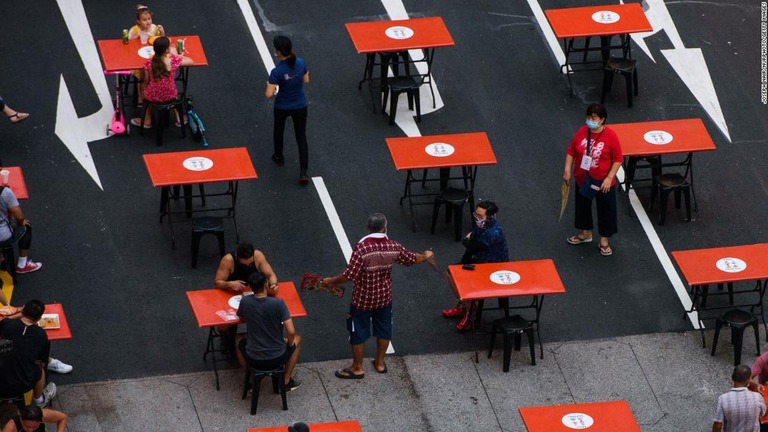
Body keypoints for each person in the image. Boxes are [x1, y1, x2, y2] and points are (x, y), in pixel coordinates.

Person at [322, 213, 433, 379]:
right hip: (384, 297)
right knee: (384, 329)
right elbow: (411, 259)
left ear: (368, 228)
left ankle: (358, 367)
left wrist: (331, 281)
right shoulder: (394, 246)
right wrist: (426, 255)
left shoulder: (362, 249)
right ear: (385, 227)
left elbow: (349, 275)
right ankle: (380, 363)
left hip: (362, 299)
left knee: (357, 331)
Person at [562, 102, 623, 256]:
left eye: (593, 117)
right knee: (582, 206)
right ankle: (585, 233)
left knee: (606, 210)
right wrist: (567, 170)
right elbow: (571, 151)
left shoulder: (611, 136)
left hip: (603, 182)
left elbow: (617, 159)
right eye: (588, 117)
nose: (590, 120)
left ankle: (604, 240)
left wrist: (609, 178)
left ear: (602, 119)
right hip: (584, 178)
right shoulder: (582, 131)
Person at [442, 201, 509, 332]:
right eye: (476, 214)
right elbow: (471, 245)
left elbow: (472, 246)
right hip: (480, 261)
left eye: (480, 215)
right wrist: (461, 263)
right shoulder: (481, 225)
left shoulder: (493, 232)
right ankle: (463, 304)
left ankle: (470, 314)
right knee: (450, 272)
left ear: (490, 217)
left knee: (467, 283)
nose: (477, 217)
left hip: (493, 267)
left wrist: (465, 240)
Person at [236, 272, 302, 392]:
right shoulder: (278, 303)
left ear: (251, 287)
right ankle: (286, 381)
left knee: (238, 338)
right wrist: (289, 344)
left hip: (253, 357)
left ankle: (250, 379)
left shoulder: (245, 301)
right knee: (297, 338)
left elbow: (241, 318)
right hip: (278, 356)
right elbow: (291, 332)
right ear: (266, 284)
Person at [214, 242, 279, 351]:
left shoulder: (258, 256)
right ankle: (226, 339)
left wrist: (273, 285)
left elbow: (271, 274)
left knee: (265, 314)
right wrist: (229, 283)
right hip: (231, 294)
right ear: (237, 257)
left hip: (253, 292)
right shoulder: (228, 260)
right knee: (222, 327)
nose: (247, 266)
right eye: (244, 264)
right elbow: (217, 282)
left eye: (250, 264)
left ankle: (263, 339)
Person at [265, 35, 311, 184]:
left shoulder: (276, 72)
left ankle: (279, 157)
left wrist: (270, 84)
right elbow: (306, 80)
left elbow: (268, 94)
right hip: (300, 105)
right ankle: (303, 171)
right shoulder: (301, 63)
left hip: (282, 106)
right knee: (301, 137)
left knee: (278, 131)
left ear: (278, 52)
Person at [0, 300, 56, 408]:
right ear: (39, 319)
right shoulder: (41, 334)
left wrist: (21, 313)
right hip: (23, 385)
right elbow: (40, 360)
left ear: (22, 310)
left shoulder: (7, 324)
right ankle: (40, 400)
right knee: (40, 366)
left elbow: (4, 321)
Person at [131, 36, 193, 128]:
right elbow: (191, 61)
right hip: (170, 96)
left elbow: (147, 80)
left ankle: (147, 120)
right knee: (172, 89)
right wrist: (176, 55)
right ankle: (179, 119)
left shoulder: (149, 63)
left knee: (145, 91)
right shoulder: (173, 61)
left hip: (152, 96)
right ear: (167, 50)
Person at [127, 4, 166, 106]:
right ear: (139, 21)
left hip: (152, 56)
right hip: (138, 57)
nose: (148, 21)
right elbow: (128, 45)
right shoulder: (135, 30)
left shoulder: (154, 28)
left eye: (149, 19)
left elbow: (161, 41)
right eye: (144, 20)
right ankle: (141, 98)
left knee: (157, 72)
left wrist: (162, 33)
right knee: (141, 76)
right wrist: (134, 39)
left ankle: (156, 94)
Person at [0, 185, 41, 274]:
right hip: (2, 236)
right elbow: (19, 217)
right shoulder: (5, 192)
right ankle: (22, 265)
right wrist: (20, 222)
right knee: (26, 226)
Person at [713, 364, 766, 432]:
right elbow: (764, 413)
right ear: (749, 379)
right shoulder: (757, 397)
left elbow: (717, 426)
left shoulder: (723, 399)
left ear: (732, 377)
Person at [2, 404, 67, 432]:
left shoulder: (44, 415)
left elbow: (62, 418)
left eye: (34, 426)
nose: (30, 430)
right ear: (21, 420)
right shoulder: (10, 428)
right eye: (27, 426)